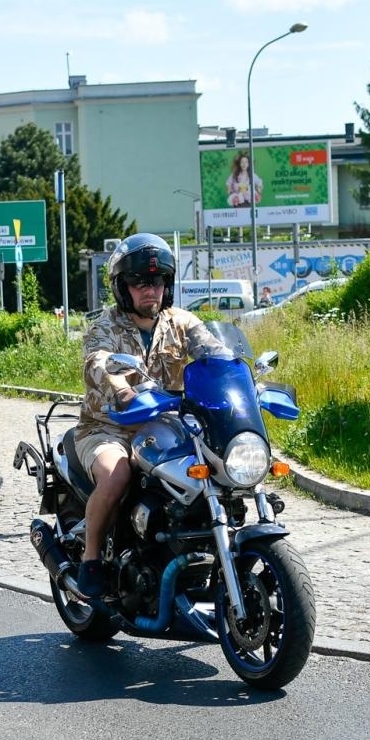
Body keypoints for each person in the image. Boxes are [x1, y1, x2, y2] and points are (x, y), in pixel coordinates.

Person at [72, 233, 229, 600]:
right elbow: (96, 362)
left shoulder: (182, 323)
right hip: (109, 427)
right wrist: (121, 389)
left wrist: (241, 379)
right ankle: (91, 558)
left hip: (165, 427)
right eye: (139, 282)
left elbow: (215, 352)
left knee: (222, 468)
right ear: (122, 287)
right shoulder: (105, 327)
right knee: (117, 475)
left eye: (157, 282)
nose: (150, 291)